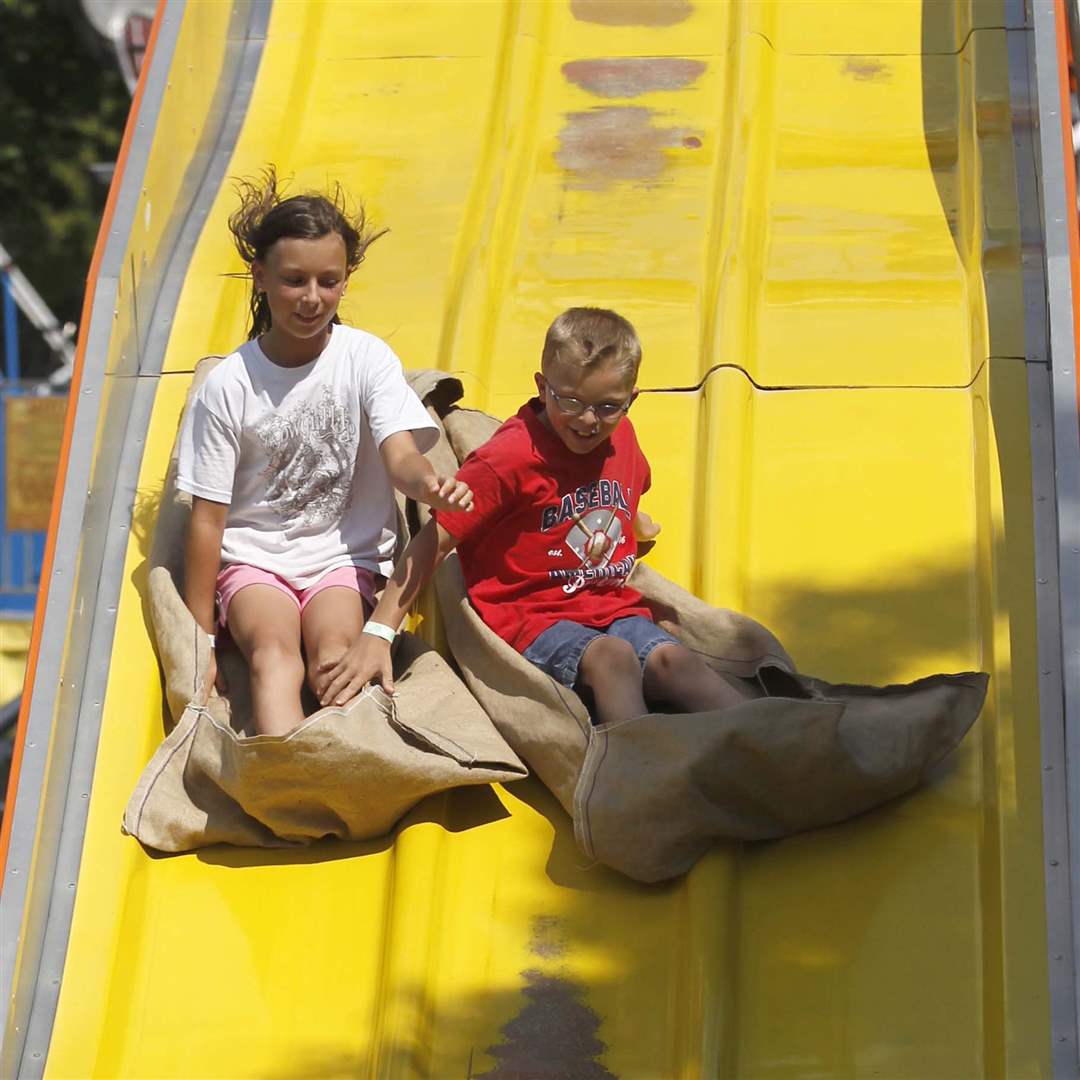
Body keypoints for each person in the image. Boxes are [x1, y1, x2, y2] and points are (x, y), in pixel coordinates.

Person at [317, 307, 747, 726]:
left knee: (676, 661)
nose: (587, 420)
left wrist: (637, 526)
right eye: (571, 401)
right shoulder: (512, 458)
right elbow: (435, 539)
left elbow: (624, 494)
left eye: (607, 406)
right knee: (614, 660)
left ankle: (770, 731)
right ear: (542, 387)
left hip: (611, 605)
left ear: (630, 400)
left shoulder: (623, 438)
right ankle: (638, 768)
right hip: (534, 613)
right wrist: (380, 630)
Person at [177, 169, 472, 735]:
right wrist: (201, 641)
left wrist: (428, 484)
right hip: (257, 560)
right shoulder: (230, 386)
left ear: (345, 279)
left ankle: (342, 771)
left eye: (328, 281)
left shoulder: (365, 359)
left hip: (343, 560)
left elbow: (401, 457)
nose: (312, 298)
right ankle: (285, 777)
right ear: (260, 277)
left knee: (335, 655)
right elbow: (208, 521)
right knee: (273, 657)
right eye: (293, 281)